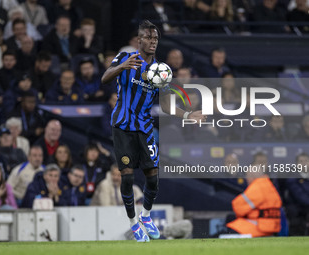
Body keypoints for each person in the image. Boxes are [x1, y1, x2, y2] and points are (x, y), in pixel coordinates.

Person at [101, 20, 205, 242]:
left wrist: (188, 115)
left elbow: (166, 105)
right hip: (122, 126)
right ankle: (133, 224)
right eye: (148, 38)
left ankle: (146, 216)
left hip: (145, 127)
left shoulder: (161, 70)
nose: (152, 42)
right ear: (139, 40)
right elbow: (104, 78)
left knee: (153, 178)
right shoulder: (125, 58)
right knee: (127, 179)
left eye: (155, 38)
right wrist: (122, 67)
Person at [225, 165, 282, 237]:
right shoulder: (269, 186)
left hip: (257, 227)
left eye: (247, 176)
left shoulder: (257, 186)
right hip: (271, 227)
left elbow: (237, 207)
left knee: (225, 231)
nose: (246, 179)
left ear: (252, 176)